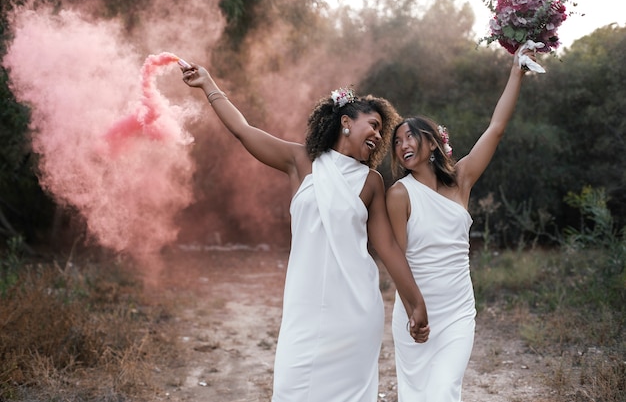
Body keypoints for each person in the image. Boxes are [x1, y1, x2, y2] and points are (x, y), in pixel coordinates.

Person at [180, 65, 430, 402]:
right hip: (305, 309)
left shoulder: (371, 182)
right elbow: (243, 130)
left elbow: (386, 248)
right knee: (291, 389)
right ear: (345, 121)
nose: (377, 135)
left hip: (354, 313)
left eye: (380, 131)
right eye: (373, 125)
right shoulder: (301, 161)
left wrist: (416, 304)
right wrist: (208, 84)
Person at [385, 47, 536, 401]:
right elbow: (397, 261)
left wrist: (516, 73)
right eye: (397, 141)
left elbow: (496, 129)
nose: (403, 144)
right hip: (414, 311)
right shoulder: (399, 195)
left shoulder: (461, 180)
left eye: (410, 136)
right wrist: (412, 312)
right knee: (418, 395)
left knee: (444, 390)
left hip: (456, 311)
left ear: (432, 143)